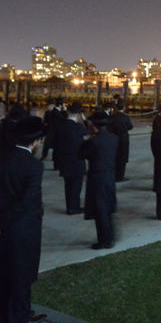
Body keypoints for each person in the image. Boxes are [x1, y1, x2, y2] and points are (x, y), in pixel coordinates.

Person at [0, 115, 48, 323]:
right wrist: (5, 221)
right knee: (22, 274)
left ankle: (12, 316)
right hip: (23, 228)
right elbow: (27, 201)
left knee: (6, 275)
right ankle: (17, 320)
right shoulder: (34, 166)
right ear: (35, 142)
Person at [79, 112, 118, 250]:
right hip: (109, 175)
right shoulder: (113, 138)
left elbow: (81, 154)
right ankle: (109, 236)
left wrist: (86, 140)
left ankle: (104, 240)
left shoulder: (94, 141)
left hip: (97, 177)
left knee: (99, 209)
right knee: (106, 207)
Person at [54, 102, 87, 214]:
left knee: (68, 186)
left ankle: (70, 206)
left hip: (64, 160)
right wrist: (85, 120)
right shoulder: (78, 127)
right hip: (77, 160)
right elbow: (89, 133)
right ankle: (74, 207)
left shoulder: (60, 126)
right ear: (79, 114)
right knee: (76, 187)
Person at [107, 102, 134, 181]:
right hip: (123, 138)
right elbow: (130, 127)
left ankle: (113, 174)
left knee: (114, 156)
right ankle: (120, 176)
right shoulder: (125, 117)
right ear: (124, 108)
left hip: (113, 137)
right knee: (123, 157)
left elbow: (108, 127)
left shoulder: (111, 116)